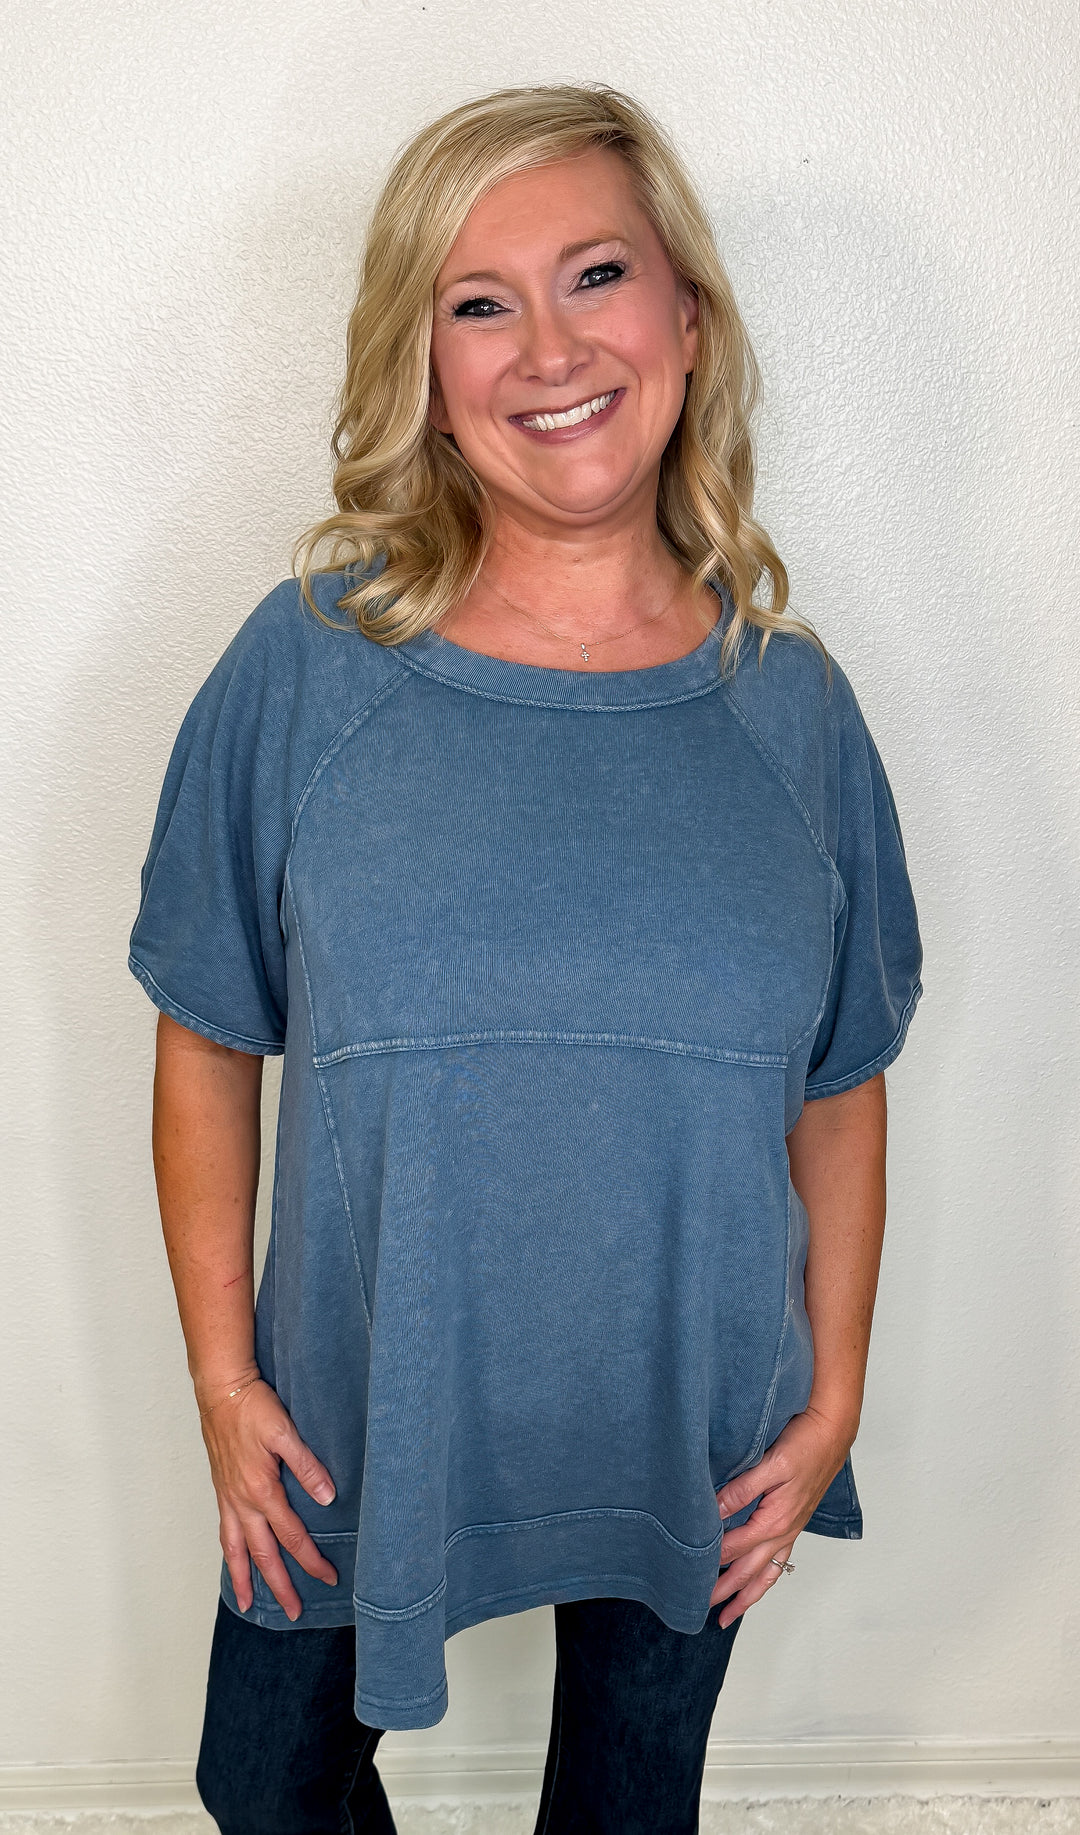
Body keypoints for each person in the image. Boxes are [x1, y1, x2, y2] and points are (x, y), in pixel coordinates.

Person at [128, 83, 924, 1835]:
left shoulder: (792, 710)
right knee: (262, 1782)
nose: (550, 349)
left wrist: (835, 1392)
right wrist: (224, 1379)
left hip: (695, 1425)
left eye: (597, 275)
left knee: (629, 1809)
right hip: (359, 1403)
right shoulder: (309, 667)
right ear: (423, 367)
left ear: (687, 319)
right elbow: (206, 1031)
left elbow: (843, 1080)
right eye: (479, 302)